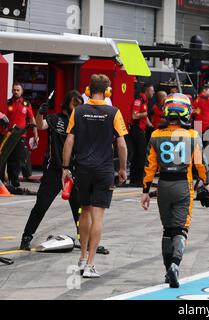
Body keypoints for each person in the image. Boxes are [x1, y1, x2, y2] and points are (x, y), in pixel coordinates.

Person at [141, 93, 209, 288]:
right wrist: (207, 184)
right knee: (181, 229)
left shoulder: (156, 134)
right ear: (186, 112)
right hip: (183, 186)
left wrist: (146, 190)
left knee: (167, 230)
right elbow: (200, 164)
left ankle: (167, 271)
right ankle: (174, 264)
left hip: (163, 185)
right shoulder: (192, 135)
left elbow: (149, 165)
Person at [62, 74, 128, 278]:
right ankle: (91, 264)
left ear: (88, 91)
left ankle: (82, 258)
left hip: (82, 169)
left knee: (84, 211)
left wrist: (65, 167)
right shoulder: (114, 112)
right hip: (103, 170)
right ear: (107, 91)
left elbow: (69, 141)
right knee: (98, 215)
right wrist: (123, 169)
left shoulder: (78, 111)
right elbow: (122, 144)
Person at [19, 91, 83, 250]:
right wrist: (40, 113)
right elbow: (40, 125)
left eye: (80, 104)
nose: (77, 107)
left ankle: (84, 240)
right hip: (54, 170)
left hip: (73, 171)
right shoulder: (56, 119)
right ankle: (26, 237)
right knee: (41, 205)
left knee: (79, 208)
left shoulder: (80, 122)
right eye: (75, 103)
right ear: (67, 103)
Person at [4, 82, 39, 188]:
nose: (16, 92)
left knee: (17, 158)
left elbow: (32, 119)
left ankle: (14, 180)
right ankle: (7, 180)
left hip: (20, 136)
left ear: (22, 91)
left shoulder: (26, 104)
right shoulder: (7, 103)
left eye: (18, 90)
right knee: (6, 158)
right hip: (8, 135)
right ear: (12, 91)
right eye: (14, 90)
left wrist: (36, 134)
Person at [128, 83, 153, 186]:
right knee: (140, 155)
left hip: (141, 130)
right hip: (136, 130)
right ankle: (136, 180)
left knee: (140, 155)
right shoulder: (139, 100)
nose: (153, 92)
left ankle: (137, 179)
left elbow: (144, 117)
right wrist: (146, 113)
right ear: (146, 91)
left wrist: (151, 126)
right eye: (152, 90)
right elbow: (134, 116)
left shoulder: (145, 101)